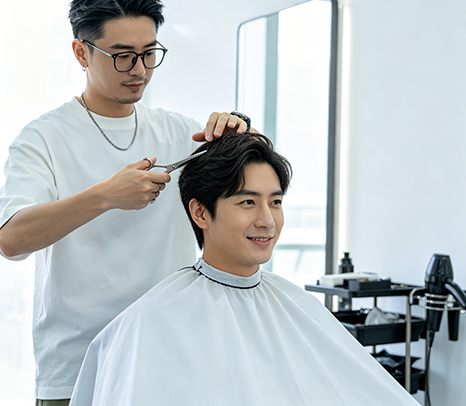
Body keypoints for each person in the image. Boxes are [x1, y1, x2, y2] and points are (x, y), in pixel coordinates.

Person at [0, 0, 251, 405]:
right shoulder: (44, 138)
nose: (140, 70)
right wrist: (105, 196)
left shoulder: (179, 132)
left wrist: (242, 132)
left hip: (169, 360)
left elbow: (252, 183)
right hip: (77, 370)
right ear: (81, 52)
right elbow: (11, 240)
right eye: (122, 56)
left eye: (149, 53)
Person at [68, 133, 420, 406]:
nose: (267, 220)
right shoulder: (151, 322)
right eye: (248, 202)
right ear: (201, 213)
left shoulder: (298, 306)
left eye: (276, 202)